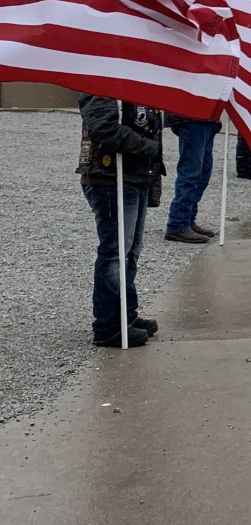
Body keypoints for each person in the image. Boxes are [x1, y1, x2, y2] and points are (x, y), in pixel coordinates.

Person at [77, 94, 165, 348]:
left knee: (129, 253)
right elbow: (103, 130)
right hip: (110, 177)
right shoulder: (100, 81)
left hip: (135, 176)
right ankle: (108, 326)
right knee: (115, 253)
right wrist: (149, 147)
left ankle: (126, 314)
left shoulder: (134, 80)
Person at [164, 112, 222, 243]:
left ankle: (188, 219)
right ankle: (178, 223)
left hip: (206, 118)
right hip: (192, 117)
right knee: (191, 172)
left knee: (202, 173)